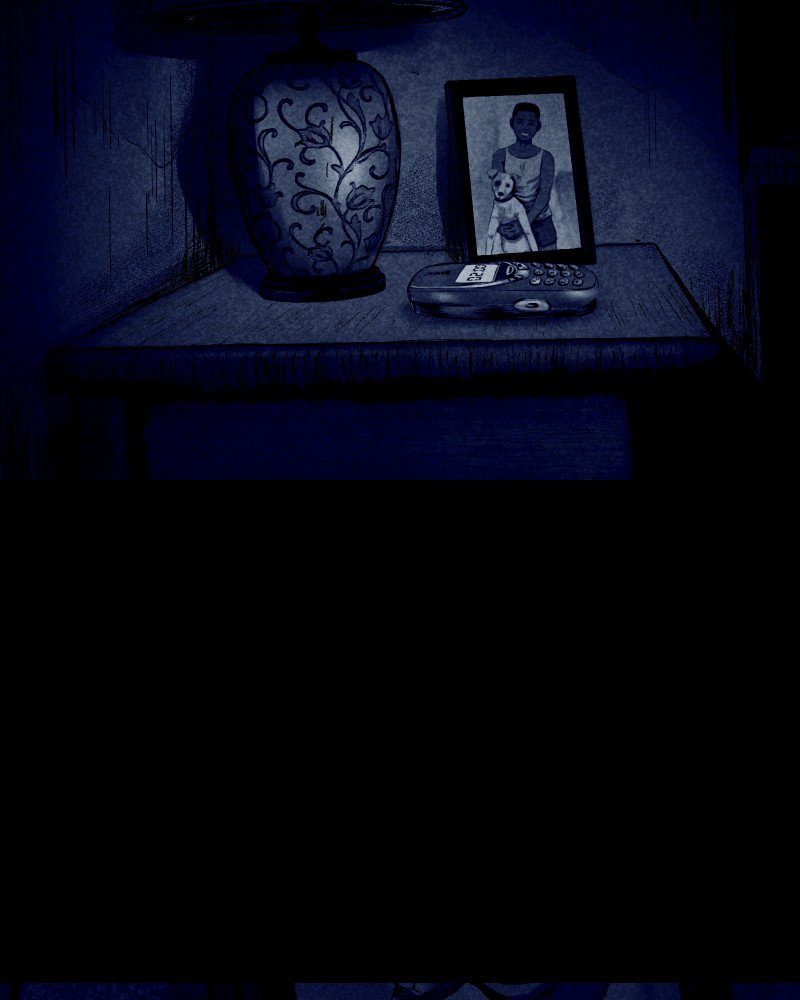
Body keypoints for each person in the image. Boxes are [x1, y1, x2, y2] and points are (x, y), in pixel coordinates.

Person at [490, 103, 557, 253]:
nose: (525, 127)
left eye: (531, 123)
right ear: (511, 123)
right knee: (515, 264)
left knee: (551, 262)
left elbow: (544, 193)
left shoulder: (546, 157)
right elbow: (500, 192)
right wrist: (502, 224)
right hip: (511, 221)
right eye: (520, 122)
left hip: (541, 220)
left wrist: (525, 222)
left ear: (538, 126)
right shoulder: (500, 156)